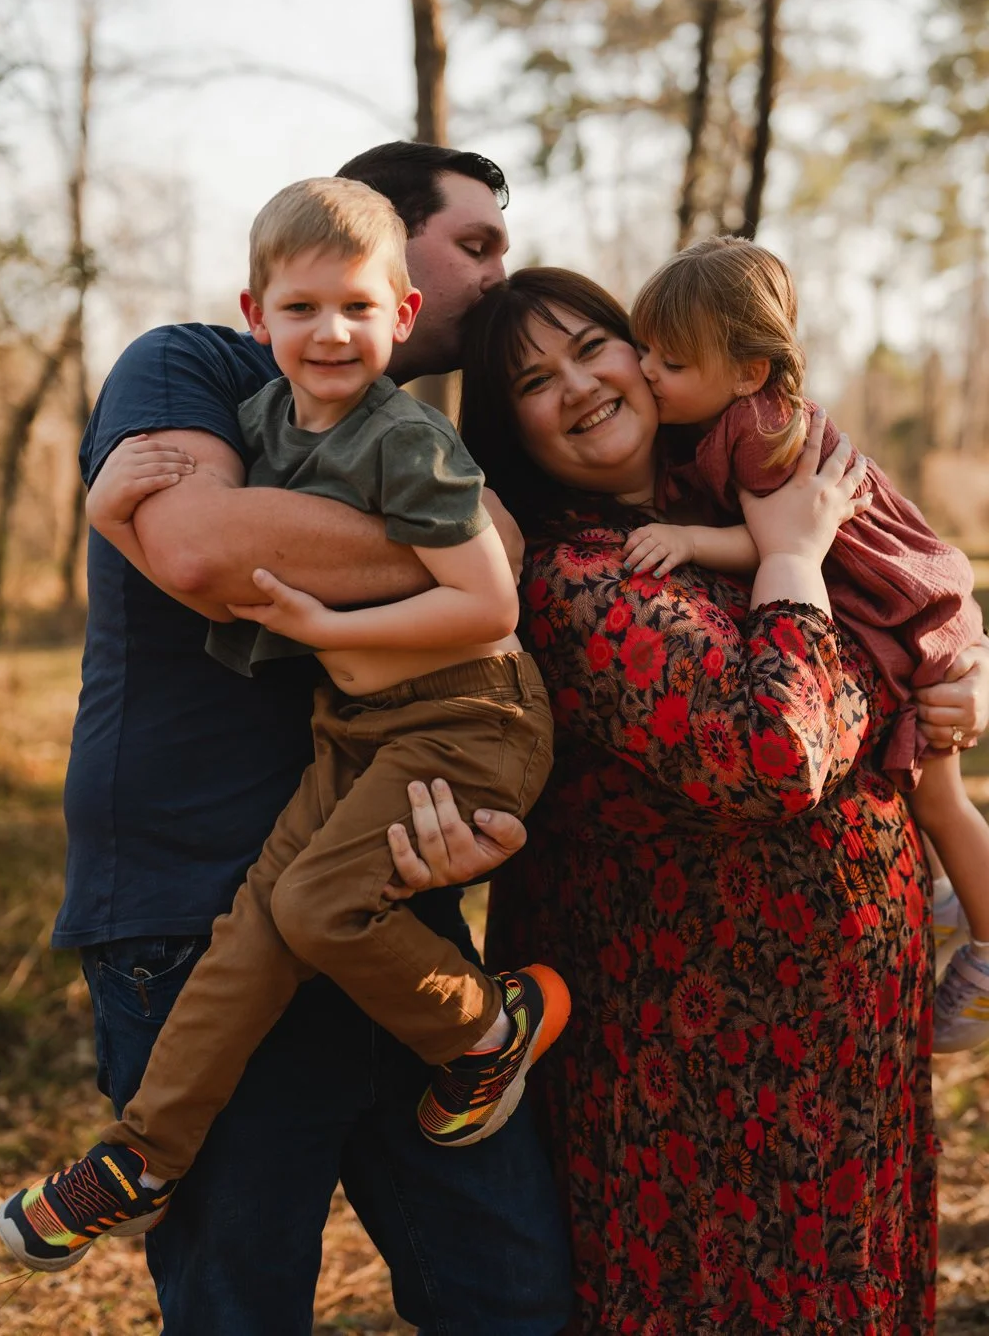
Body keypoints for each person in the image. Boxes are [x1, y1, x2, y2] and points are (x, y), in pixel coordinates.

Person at [0, 146, 572, 1336]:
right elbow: (207, 549)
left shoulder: (415, 432)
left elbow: (488, 587)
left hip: (386, 889)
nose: (500, 269)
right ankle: (133, 1158)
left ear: (391, 309)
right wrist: (123, 512)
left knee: (508, 1292)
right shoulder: (195, 365)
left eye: (350, 311)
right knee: (240, 1301)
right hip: (192, 899)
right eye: (474, 242)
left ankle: (484, 1031)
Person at [381, 264, 989, 1332]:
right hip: (697, 1069)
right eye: (533, 380)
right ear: (506, 427)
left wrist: (952, 670)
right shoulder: (573, 578)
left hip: (845, 1040)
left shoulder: (728, 492)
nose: (577, 384)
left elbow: (898, 600)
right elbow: (773, 756)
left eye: (592, 345)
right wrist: (802, 565)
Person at [623, 235, 989, 1051]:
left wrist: (686, 539)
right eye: (645, 350)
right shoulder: (729, 416)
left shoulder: (757, 427)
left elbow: (778, 541)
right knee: (931, 794)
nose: (647, 370)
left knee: (941, 796)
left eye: (670, 362)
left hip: (910, 610)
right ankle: (949, 899)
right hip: (901, 601)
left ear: (748, 370)